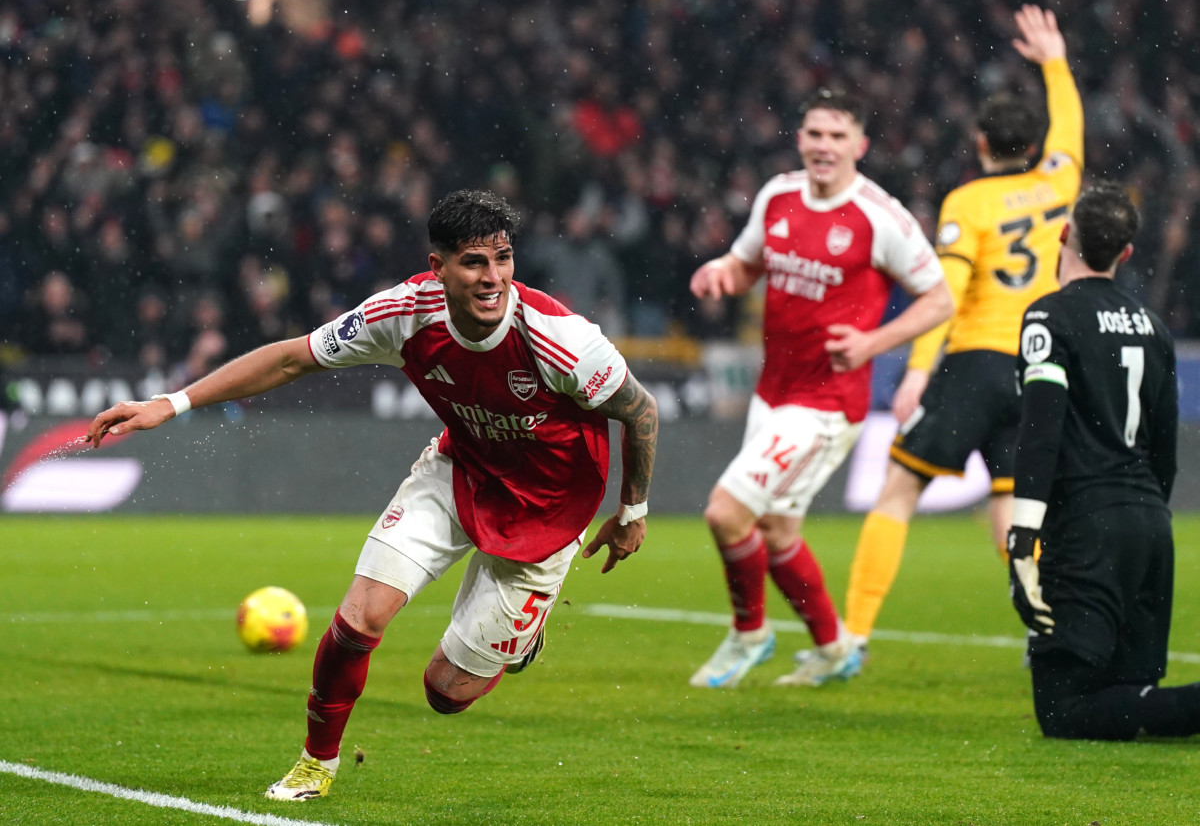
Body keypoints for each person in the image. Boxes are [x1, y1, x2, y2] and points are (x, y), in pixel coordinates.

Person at [85, 189, 659, 799]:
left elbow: (641, 411)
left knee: (444, 694)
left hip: (550, 510)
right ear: (437, 268)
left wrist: (633, 510)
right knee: (359, 619)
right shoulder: (402, 313)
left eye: (503, 259)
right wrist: (170, 403)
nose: (493, 279)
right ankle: (315, 765)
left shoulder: (559, 338)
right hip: (459, 472)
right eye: (474, 262)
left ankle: (522, 636)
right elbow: (289, 361)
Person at [841, 6, 1085, 667]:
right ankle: (1042, 633)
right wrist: (1055, 63)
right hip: (1038, 367)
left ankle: (852, 636)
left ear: (981, 143)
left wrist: (918, 369)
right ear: (1033, 146)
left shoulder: (967, 202)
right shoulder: (1059, 180)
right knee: (1010, 504)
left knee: (898, 490)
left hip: (976, 360)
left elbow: (943, 296)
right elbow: (1071, 128)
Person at [687, 88, 953, 688]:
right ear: (800, 139)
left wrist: (872, 344)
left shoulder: (880, 217)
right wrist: (722, 273)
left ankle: (748, 635)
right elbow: (746, 262)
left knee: (726, 513)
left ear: (860, 145)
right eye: (814, 134)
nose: (824, 146)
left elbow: (940, 299)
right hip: (772, 392)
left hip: (828, 403)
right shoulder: (777, 195)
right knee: (778, 530)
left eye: (837, 136)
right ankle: (834, 650)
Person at [1008, 182, 1200, 739]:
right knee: (1127, 699)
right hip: (1149, 527)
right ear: (1127, 253)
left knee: (1064, 711)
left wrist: (1023, 538)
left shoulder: (1049, 317)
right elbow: (1166, 451)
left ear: (1064, 235)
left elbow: (1040, 431)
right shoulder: (1154, 327)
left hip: (1089, 527)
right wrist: (1140, 516)